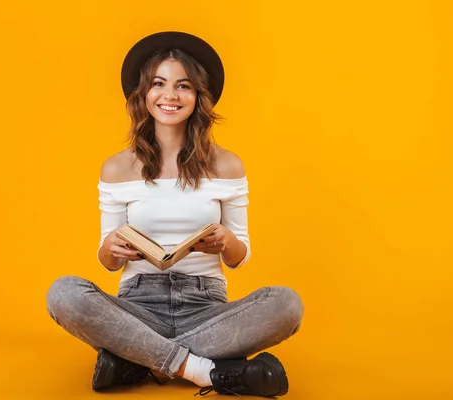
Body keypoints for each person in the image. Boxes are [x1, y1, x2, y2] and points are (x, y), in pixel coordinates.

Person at [46, 31, 304, 397]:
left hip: (206, 306)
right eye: (158, 84)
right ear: (144, 94)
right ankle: (206, 371)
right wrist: (113, 248)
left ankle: (136, 359)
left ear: (199, 95)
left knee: (286, 304)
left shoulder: (227, 165)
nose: (170, 96)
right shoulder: (117, 168)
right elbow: (106, 263)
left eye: (183, 85)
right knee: (64, 293)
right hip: (137, 306)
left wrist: (226, 241)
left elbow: (239, 256)